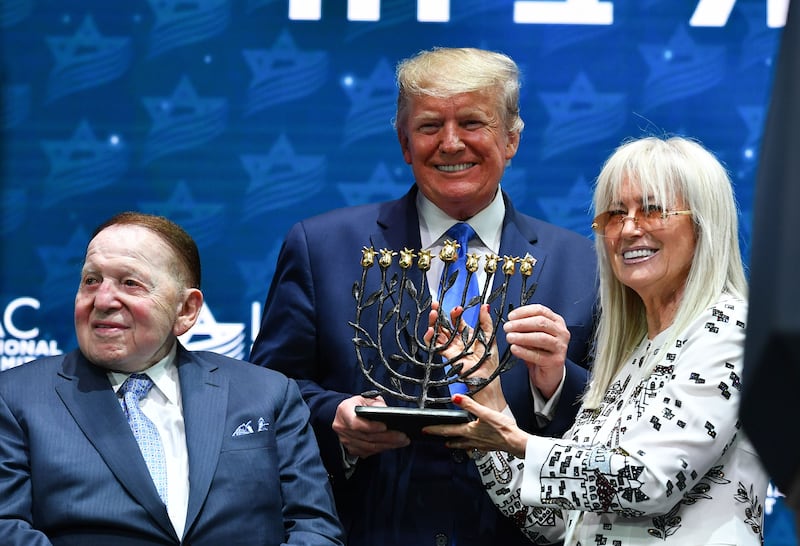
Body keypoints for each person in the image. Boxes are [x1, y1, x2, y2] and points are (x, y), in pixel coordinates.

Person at [249, 46, 598, 545]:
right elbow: (267, 393)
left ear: (511, 139)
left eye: (472, 123)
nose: (451, 143)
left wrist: (556, 383)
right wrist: (335, 418)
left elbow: (618, 420)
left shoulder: (583, 265)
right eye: (430, 126)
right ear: (405, 143)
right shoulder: (322, 247)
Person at [425, 136, 769, 545]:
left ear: (703, 225)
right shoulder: (631, 355)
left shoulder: (731, 329)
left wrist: (519, 442)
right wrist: (489, 398)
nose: (628, 229)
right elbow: (550, 519)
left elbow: (649, 480)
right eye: (615, 214)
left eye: (653, 210)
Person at [0, 212, 344, 545]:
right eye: (91, 280)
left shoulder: (268, 394)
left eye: (130, 283)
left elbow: (315, 528)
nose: (102, 300)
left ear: (187, 310)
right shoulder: (15, 399)